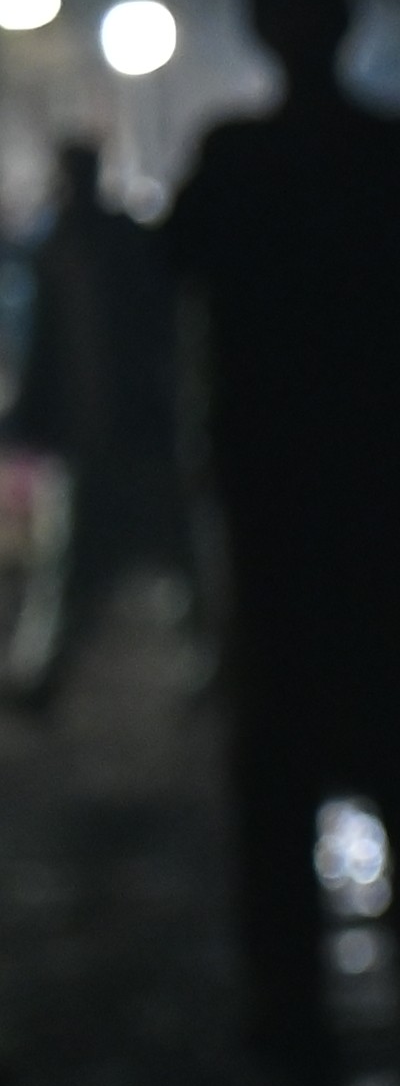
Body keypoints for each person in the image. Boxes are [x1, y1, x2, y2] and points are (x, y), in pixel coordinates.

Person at [163, 0, 400, 1060]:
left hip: (298, 505)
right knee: (395, 757)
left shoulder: (241, 162)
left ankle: (299, 998)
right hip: (374, 502)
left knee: (292, 763)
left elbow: (177, 277)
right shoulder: (397, 154)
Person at [9, 132, 189, 700]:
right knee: (84, 560)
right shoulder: (74, 247)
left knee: (167, 553)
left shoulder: (83, 247)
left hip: (122, 428)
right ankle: (42, 674)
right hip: (105, 432)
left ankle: (44, 675)